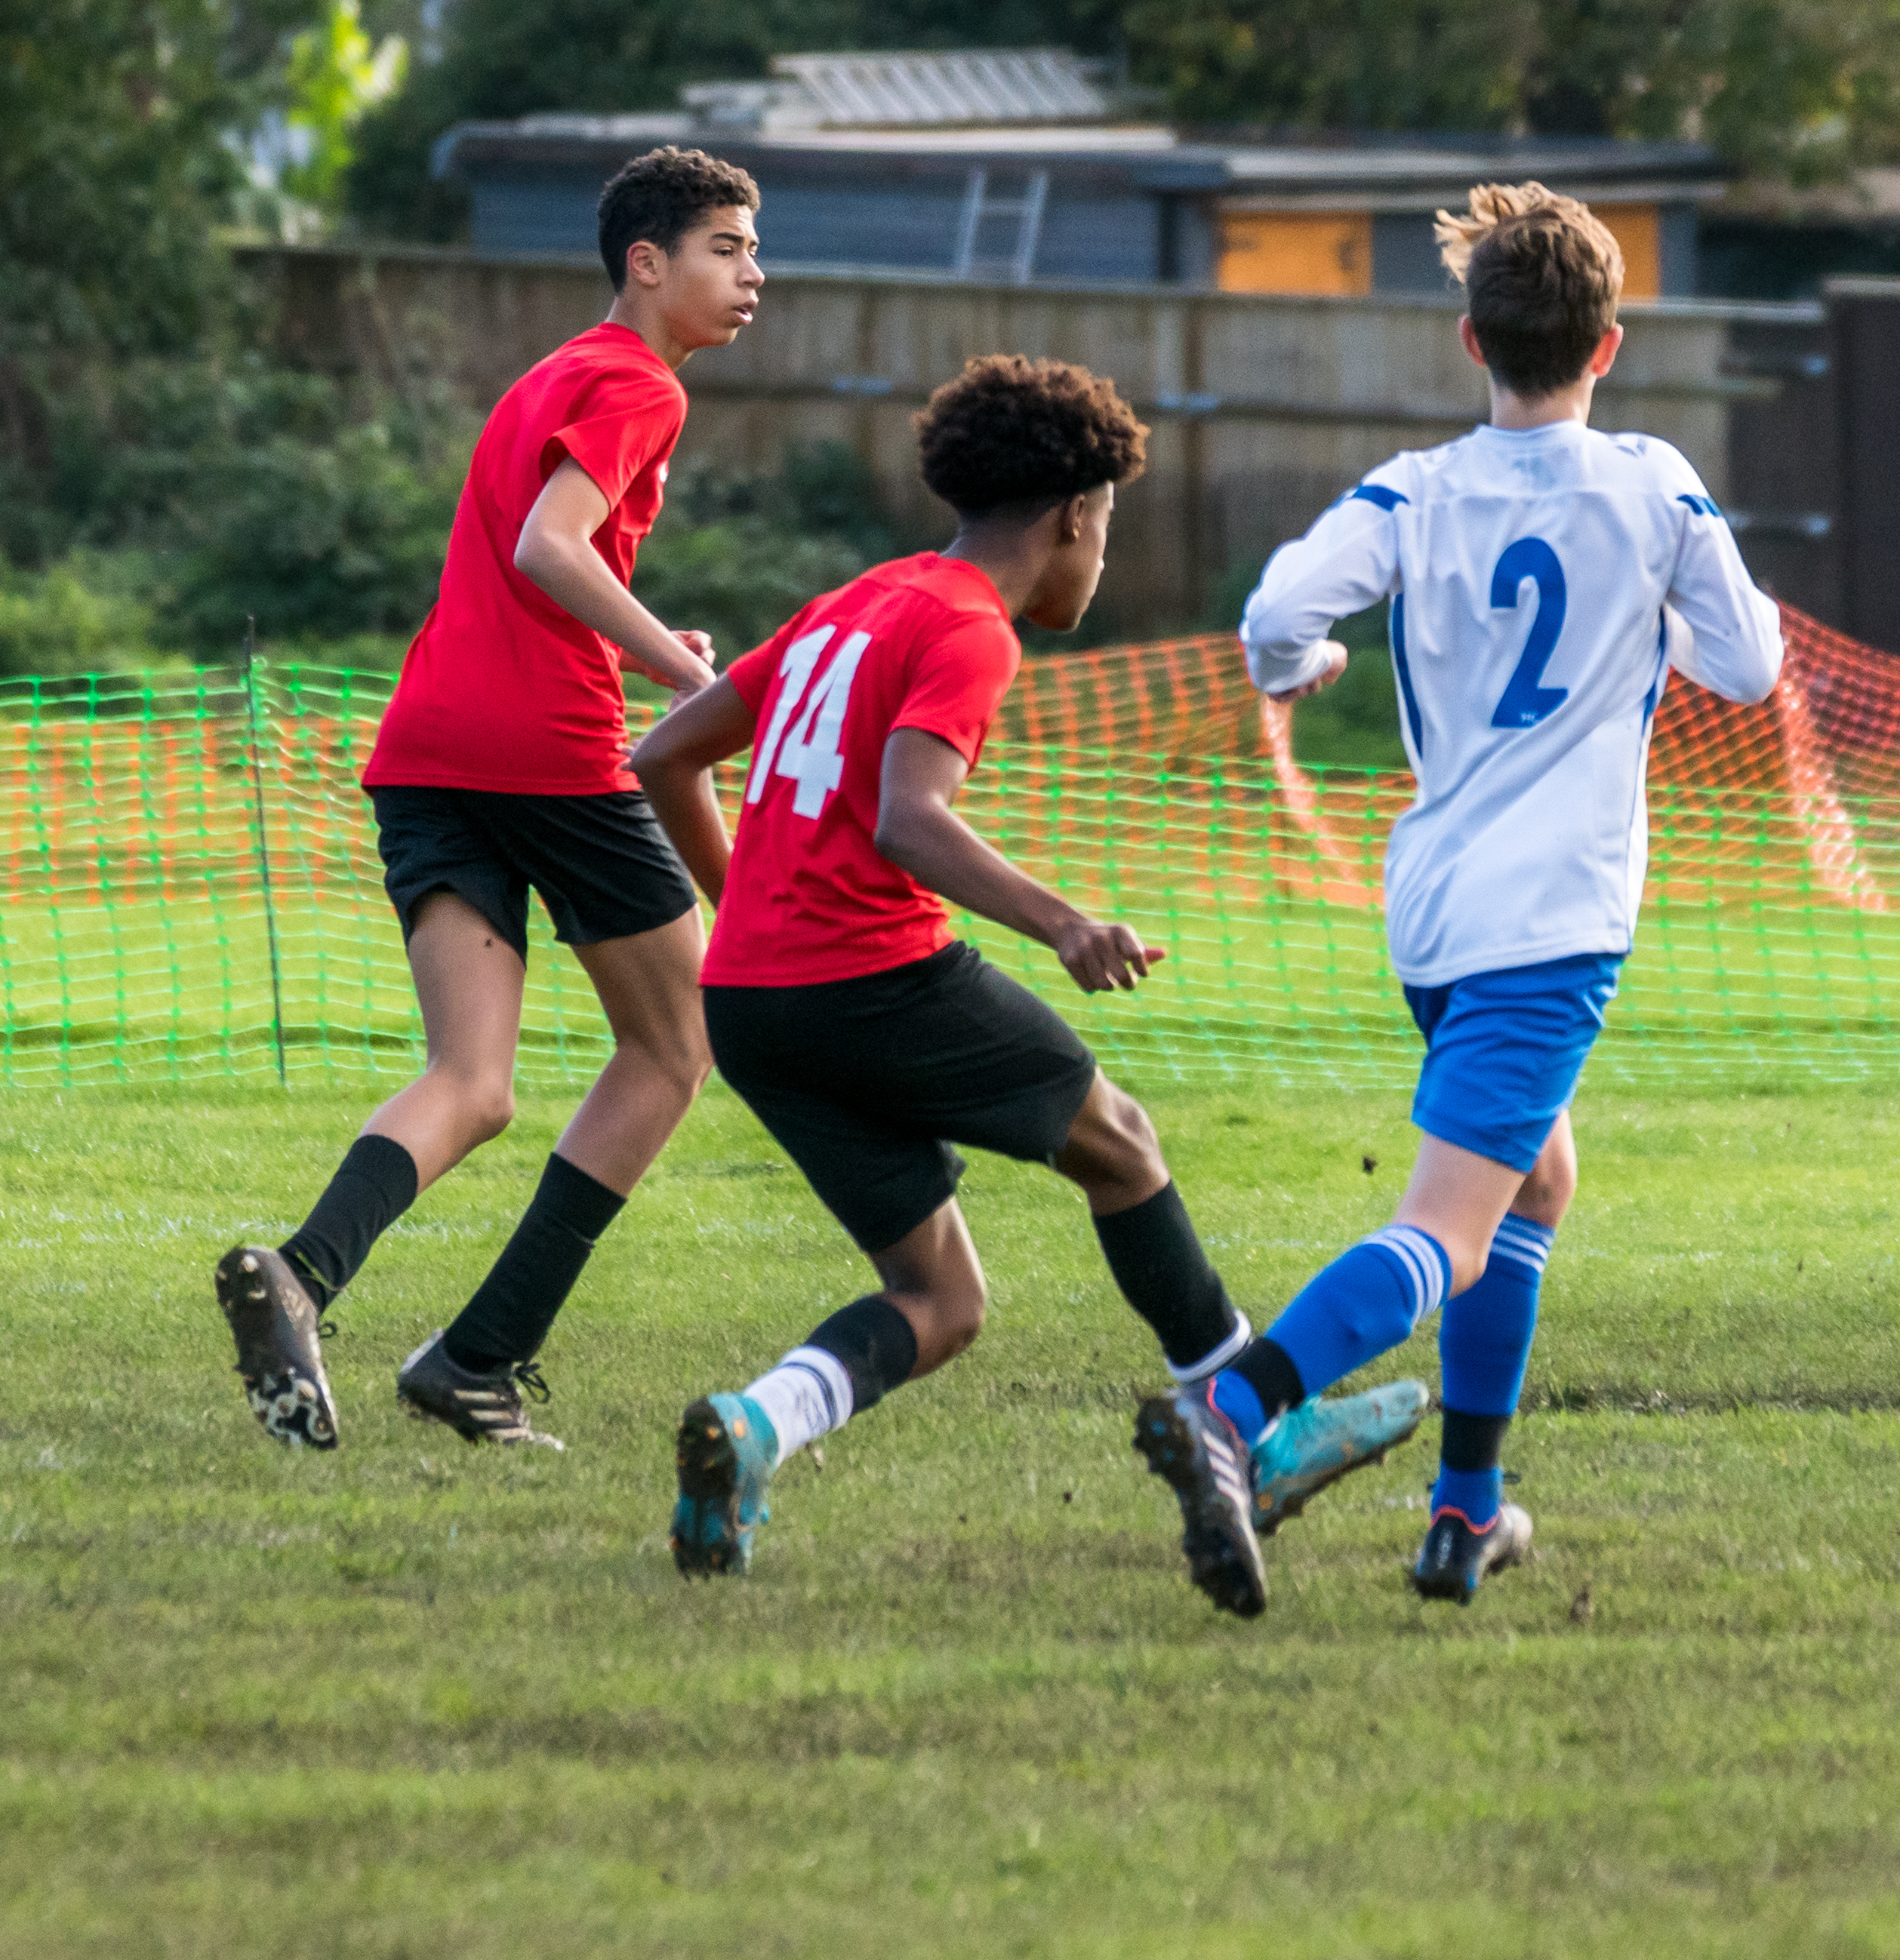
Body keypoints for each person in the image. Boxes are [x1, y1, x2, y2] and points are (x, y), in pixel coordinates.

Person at [627, 355, 1418, 1612]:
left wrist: (755, 923)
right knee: (1119, 1142)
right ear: (1071, 518)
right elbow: (908, 819)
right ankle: (1253, 1440)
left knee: (940, 1299)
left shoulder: (857, 601)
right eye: (1106, 532)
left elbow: (664, 754)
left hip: (757, 1003)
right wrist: (1064, 923)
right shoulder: (966, 630)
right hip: (870, 975)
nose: (1099, 562)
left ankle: (756, 1425)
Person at [1191, 182, 1785, 1605]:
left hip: (1437, 909)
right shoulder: (1653, 483)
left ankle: (1467, 1515)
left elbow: (1276, 615)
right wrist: (1653, 627)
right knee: (1452, 1225)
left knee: (1539, 1181)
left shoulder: (1413, 488)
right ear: (1610, 343)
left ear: (1471, 343)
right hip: (1557, 916)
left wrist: (1302, 673)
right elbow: (1752, 669)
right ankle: (1230, 1409)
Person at [216, 146, 762, 1453]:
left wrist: (644, 640)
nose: (755, 275)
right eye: (730, 249)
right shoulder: (639, 382)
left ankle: (299, 1275)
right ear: (648, 262)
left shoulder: (555, 372)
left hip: (428, 748)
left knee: (474, 1079)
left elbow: (544, 562)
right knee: (675, 1045)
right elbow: (547, 550)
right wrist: (695, 671)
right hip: (544, 749)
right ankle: (477, 1359)